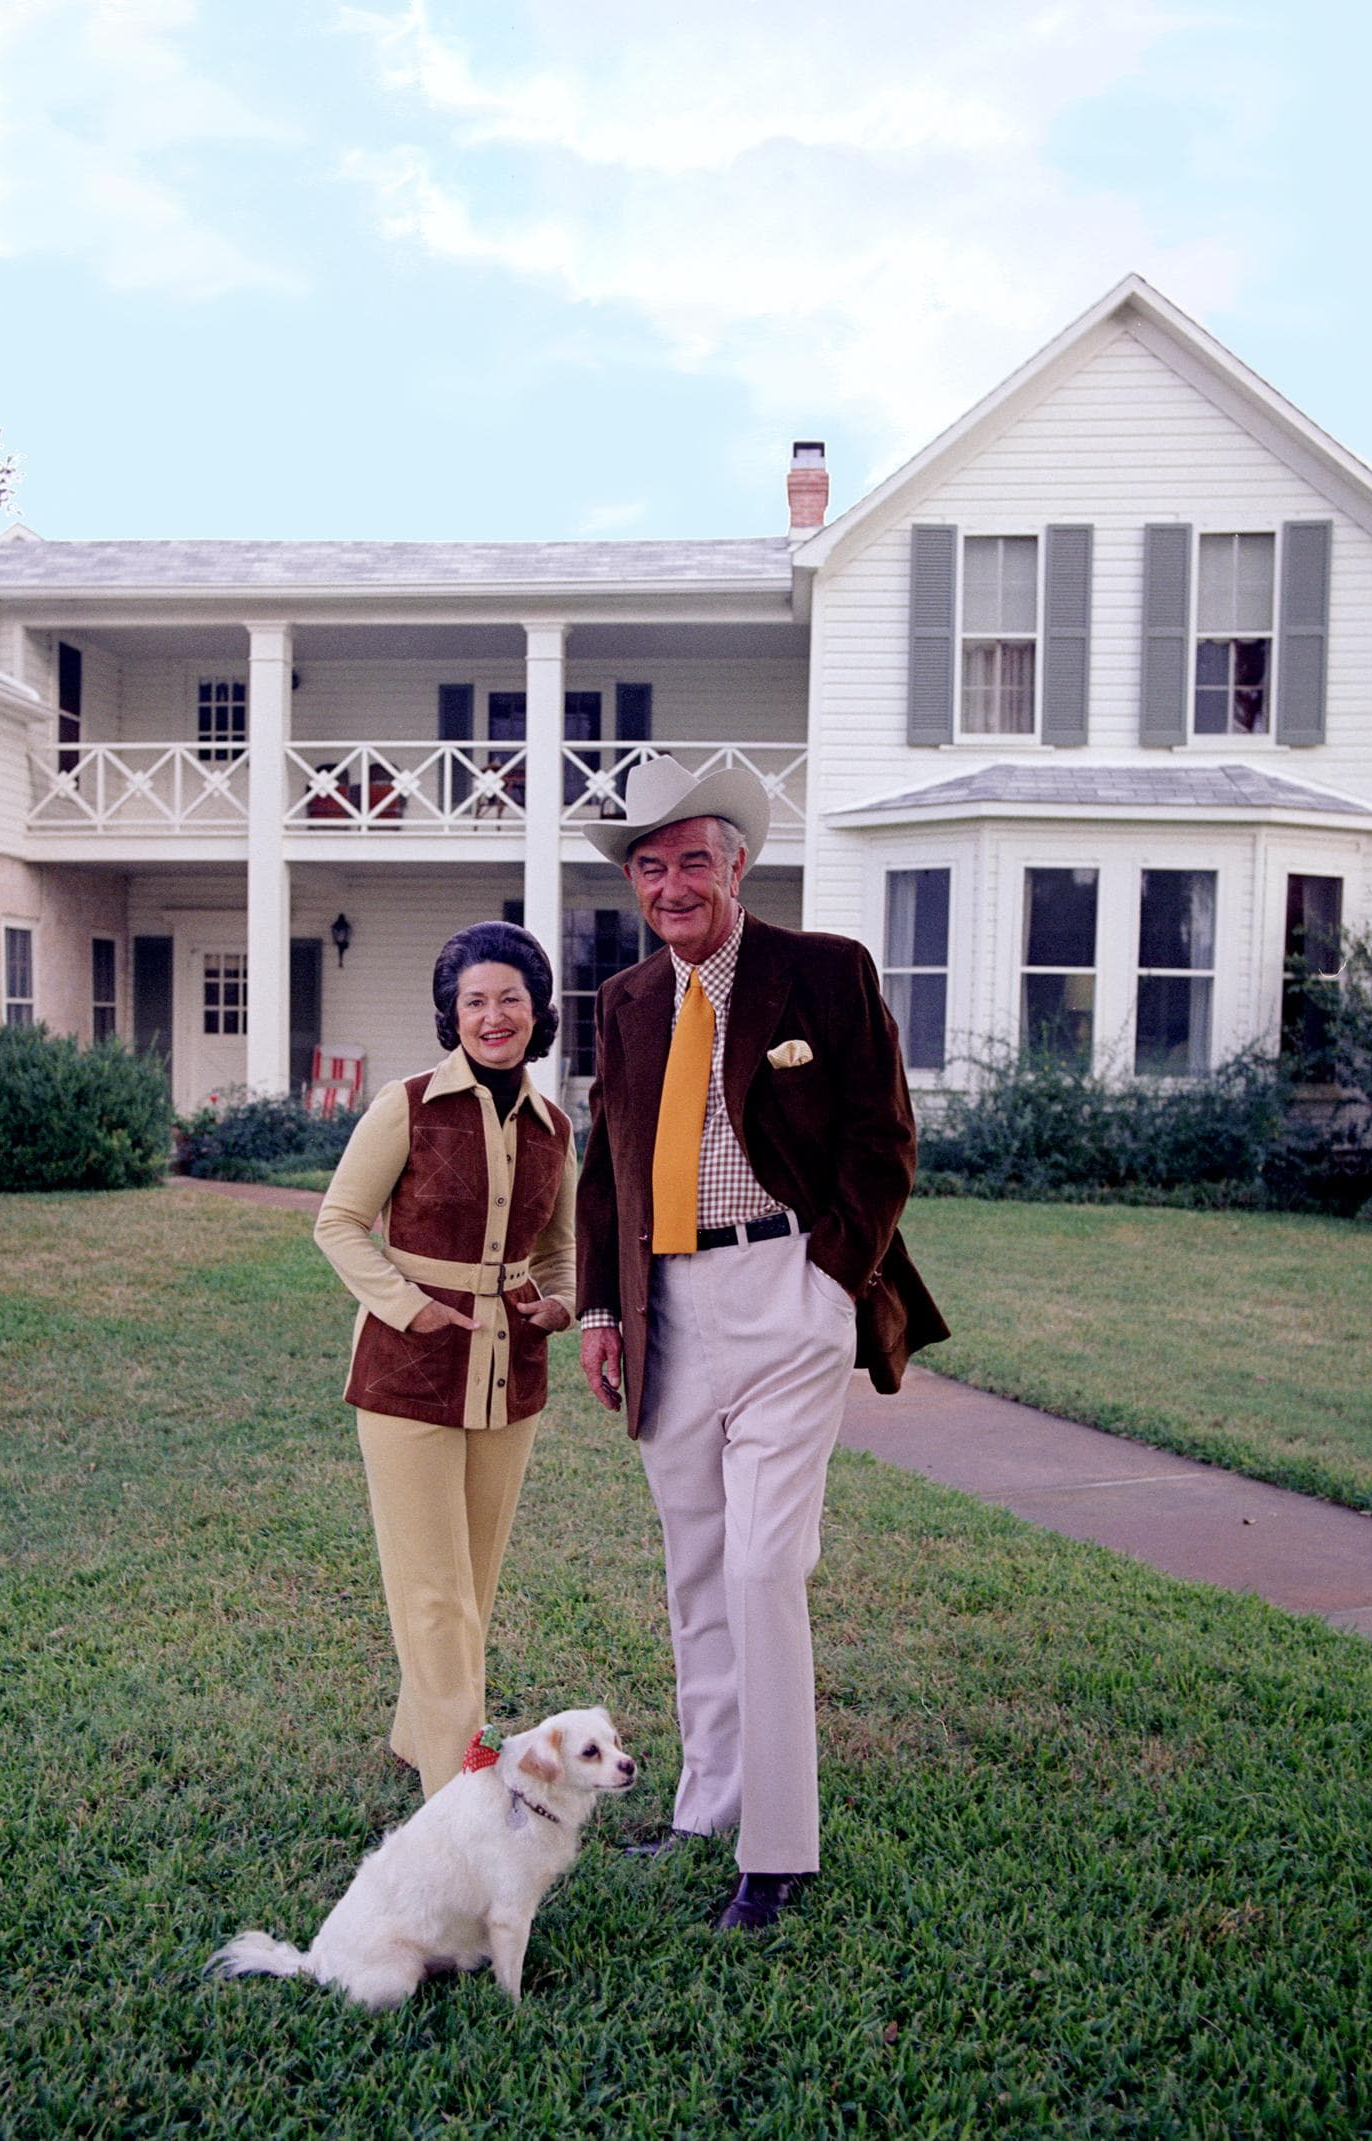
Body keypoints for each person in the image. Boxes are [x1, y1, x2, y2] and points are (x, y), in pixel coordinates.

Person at [576, 756, 947, 1930]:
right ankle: (706, 1803)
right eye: (651, 865)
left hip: (787, 1286)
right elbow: (607, 1165)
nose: (672, 882)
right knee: (695, 1567)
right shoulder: (629, 1000)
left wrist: (830, 1277)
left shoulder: (821, 971)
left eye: (693, 858)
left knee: (761, 1565)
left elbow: (882, 1135)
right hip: (666, 1306)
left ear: (737, 865)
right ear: (634, 885)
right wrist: (599, 1308)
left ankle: (779, 1852)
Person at [315, 921, 578, 1798]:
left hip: (514, 1375)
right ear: (450, 1012)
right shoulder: (409, 1104)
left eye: (510, 998)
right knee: (434, 1593)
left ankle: (412, 1730)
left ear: (537, 1011)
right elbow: (339, 1223)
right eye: (475, 1000)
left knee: (475, 1577)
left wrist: (561, 1302)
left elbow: (561, 1249)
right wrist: (407, 1305)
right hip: (407, 1372)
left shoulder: (554, 1127)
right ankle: (455, 1791)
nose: (493, 1015)